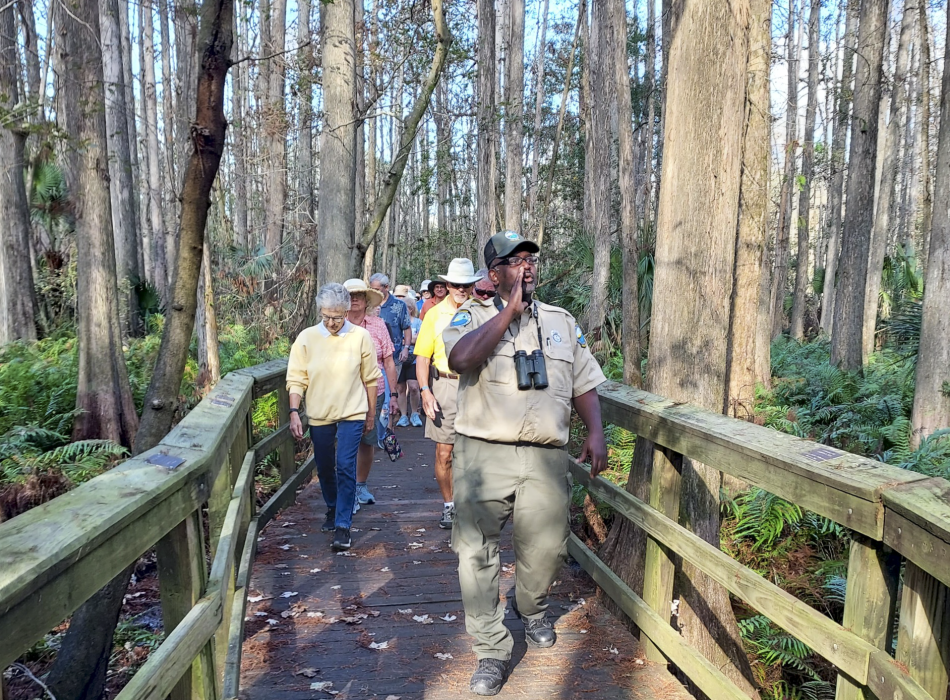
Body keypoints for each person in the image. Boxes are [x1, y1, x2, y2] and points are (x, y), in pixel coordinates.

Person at [444, 231, 608, 696]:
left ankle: (530, 607)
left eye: (530, 259)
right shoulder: (469, 317)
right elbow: (459, 359)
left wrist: (595, 431)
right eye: (514, 261)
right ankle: (492, 650)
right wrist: (508, 315)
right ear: (494, 275)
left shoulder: (560, 320)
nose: (526, 266)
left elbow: (583, 380)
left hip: (546, 454)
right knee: (475, 552)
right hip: (482, 453)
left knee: (549, 548)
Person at [286, 283, 382, 552]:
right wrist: (294, 412)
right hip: (319, 413)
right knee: (325, 465)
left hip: (352, 411)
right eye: (326, 316)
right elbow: (296, 378)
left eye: (337, 317)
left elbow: (371, 378)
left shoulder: (360, 336)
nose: (331, 322)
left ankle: (343, 525)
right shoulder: (306, 338)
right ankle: (332, 506)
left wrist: (371, 414)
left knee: (345, 464)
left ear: (346, 311)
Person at [414, 258, 482, 529]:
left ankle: (472, 504)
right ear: (447, 284)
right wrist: (425, 391)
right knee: (445, 452)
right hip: (444, 383)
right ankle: (449, 505)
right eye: (456, 284)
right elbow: (422, 358)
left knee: (477, 449)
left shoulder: (482, 311)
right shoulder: (434, 314)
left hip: (477, 384)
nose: (461, 289)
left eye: (466, 285)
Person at [343, 278, 399, 511]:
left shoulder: (378, 325)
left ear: (367, 300)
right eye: (350, 295)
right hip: (343, 393)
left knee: (367, 441)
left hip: (373, 391)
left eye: (359, 295)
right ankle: (345, 490)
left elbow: (388, 360)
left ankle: (360, 486)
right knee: (345, 442)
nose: (355, 299)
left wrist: (394, 395)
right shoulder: (335, 324)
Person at [395, 294, 424, 427]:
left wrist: (406, 340)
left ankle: (414, 413)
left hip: (414, 358)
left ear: (411, 309)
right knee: (400, 388)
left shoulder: (418, 322)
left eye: (406, 307)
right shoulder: (397, 322)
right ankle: (403, 415)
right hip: (399, 358)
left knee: (413, 387)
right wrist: (410, 339)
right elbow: (395, 338)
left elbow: (420, 339)